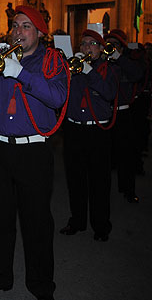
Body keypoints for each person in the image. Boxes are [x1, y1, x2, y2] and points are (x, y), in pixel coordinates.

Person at [0, 5, 67, 300]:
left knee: (36, 221)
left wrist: (20, 73)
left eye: (25, 26)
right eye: (15, 25)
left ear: (39, 32)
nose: (18, 32)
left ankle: (40, 283)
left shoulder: (53, 61)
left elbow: (58, 96)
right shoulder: (2, 58)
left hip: (33, 150)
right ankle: (0, 277)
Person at [60, 30, 119, 242]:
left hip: (98, 131)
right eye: (83, 43)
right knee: (75, 178)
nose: (86, 47)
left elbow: (109, 93)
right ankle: (77, 220)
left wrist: (89, 72)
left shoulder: (108, 69)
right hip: (75, 129)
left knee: (99, 181)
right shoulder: (73, 68)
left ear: (101, 49)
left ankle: (101, 226)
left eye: (92, 43)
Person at [104, 28, 144, 203]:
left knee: (125, 155)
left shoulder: (127, 62)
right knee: (104, 156)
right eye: (108, 44)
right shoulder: (103, 62)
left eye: (115, 45)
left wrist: (119, 58)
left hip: (122, 113)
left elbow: (137, 75)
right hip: (105, 114)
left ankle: (128, 189)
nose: (110, 48)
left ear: (121, 47)